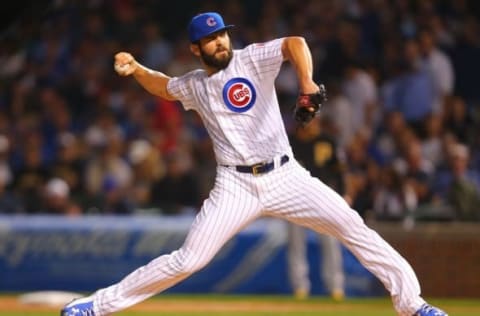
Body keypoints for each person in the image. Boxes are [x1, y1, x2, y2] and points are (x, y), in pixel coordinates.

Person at [61, 12, 447, 316]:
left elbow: (295, 43)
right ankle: (95, 306)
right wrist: (138, 70)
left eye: (222, 33)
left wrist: (307, 84)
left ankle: (413, 305)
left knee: (352, 225)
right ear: (196, 48)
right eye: (211, 38)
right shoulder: (195, 84)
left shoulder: (252, 60)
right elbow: (163, 85)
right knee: (188, 259)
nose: (220, 41)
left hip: (285, 176)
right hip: (235, 186)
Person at [286, 116, 345, 301]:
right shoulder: (290, 142)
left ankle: (336, 287)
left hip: (323, 198)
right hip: (295, 198)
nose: (312, 123)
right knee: (296, 244)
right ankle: (300, 287)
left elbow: (339, 171)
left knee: (330, 243)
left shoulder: (327, 141)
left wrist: (344, 194)